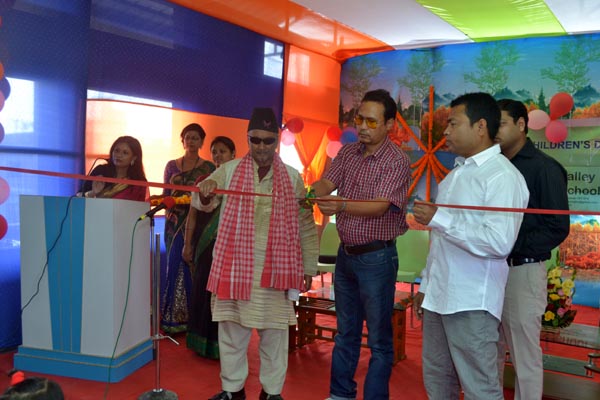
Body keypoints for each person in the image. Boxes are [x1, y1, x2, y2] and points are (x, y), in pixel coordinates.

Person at [412, 92, 529, 400]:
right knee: (438, 383)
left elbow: (499, 242)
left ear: (480, 127)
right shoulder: (456, 174)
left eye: (453, 123)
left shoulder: (503, 177)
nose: (446, 131)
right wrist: (427, 284)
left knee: (481, 389)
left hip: (472, 301)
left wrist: (440, 218)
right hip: (439, 297)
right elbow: (440, 241)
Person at [197, 108, 318, 400]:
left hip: (275, 269)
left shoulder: (292, 178)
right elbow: (202, 200)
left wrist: (308, 267)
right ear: (247, 138)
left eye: (268, 140)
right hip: (234, 266)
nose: (261, 147)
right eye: (255, 140)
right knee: (232, 332)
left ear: (276, 140)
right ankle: (232, 391)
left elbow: (305, 224)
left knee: (275, 334)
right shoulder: (229, 170)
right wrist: (205, 190)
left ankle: (272, 393)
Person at [311, 88, 411, 400]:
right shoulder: (348, 153)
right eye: (359, 119)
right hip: (346, 256)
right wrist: (314, 189)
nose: (363, 127)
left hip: (376, 258)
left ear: (389, 124)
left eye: (371, 121)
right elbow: (328, 182)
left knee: (379, 340)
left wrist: (340, 204)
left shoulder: (396, 161)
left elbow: (381, 206)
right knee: (346, 332)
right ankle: (340, 394)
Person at [495, 99, 570, 399]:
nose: (495, 131)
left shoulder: (545, 168)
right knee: (489, 348)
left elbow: (557, 227)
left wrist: (508, 244)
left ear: (521, 124)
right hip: (488, 269)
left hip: (522, 269)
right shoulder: (494, 166)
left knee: (524, 355)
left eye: (501, 123)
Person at [159, 123, 216, 334]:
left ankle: (194, 319)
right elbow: (166, 194)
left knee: (194, 267)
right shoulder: (171, 166)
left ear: (202, 142)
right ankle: (172, 319)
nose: (191, 141)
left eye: (195, 138)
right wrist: (168, 211)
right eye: (188, 137)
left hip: (197, 221)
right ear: (182, 141)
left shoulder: (209, 168)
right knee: (174, 265)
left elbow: (210, 198)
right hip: (174, 223)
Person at [184, 136, 236, 359]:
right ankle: (200, 343)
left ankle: (223, 345)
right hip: (206, 245)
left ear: (233, 155)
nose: (218, 155)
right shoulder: (204, 181)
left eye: (223, 151)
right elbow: (193, 215)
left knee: (223, 295)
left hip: (231, 248)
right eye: (214, 151)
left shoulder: (240, 182)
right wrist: (187, 244)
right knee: (202, 291)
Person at [78, 135, 147, 201]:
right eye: (117, 151)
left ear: (134, 158)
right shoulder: (101, 171)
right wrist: (93, 193)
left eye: (125, 153)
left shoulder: (139, 182)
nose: (119, 155)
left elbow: (141, 207)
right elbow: (77, 197)